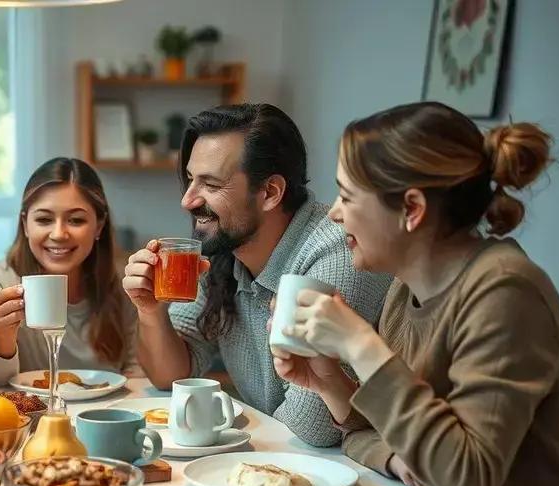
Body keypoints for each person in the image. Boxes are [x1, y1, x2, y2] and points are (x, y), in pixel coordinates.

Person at [273, 101, 559, 486]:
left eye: (347, 198)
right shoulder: (404, 290)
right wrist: (329, 380)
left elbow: (466, 482)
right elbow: (372, 437)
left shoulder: (505, 291)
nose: (334, 215)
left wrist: (362, 347)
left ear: (411, 209)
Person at [122, 103, 389, 446]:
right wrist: (151, 311)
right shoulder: (224, 251)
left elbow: (313, 428)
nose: (187, 201)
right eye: (190, 180)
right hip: (275, 457)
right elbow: (171, 377)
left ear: (270, 193)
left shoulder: (334, 252)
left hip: (338, 471)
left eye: (211, 184)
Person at [0, 157, 139, 386]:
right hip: (33, 415)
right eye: (44, 219)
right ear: (25, 225)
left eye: (75, 220)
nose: (59, 234)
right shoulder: (0, 278)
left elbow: (137, 375)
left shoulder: (123, 281)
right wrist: (3, 333)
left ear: (99, 226)